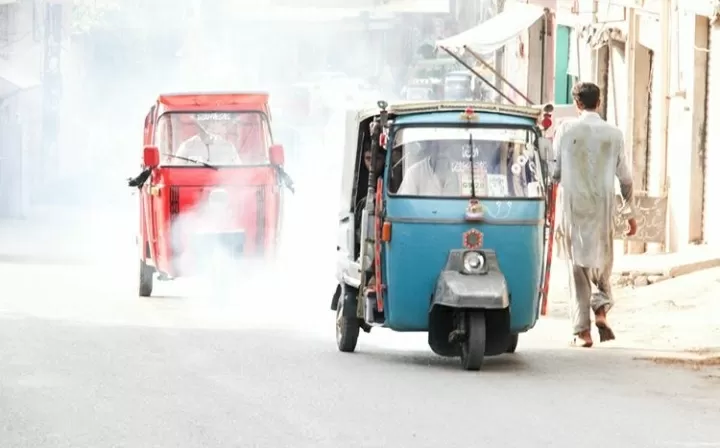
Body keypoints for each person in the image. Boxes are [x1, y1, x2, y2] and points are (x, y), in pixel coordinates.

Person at [552, 81, 638, 348]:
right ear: (598, 102)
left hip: (573, 208)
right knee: (602, 261)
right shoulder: (614, 134)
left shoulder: (565, 130)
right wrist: (630, 212)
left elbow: (555, 173)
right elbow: (625, 178)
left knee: (577, 267)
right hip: (603, 207)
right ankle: (600, 309)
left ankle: (583, 332)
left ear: (577, 104)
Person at [396, 141, 461, 196]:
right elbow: (407, 204)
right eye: (436, 146)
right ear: (430, 147)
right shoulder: (414, 172)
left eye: (445, 147)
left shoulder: (461, 170)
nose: (440, 151)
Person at [175, 116, 241, 165]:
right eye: (223, 124)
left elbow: (239, 172)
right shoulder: (187, 146)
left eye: (224, 124)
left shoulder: (228, 147)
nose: (225, 128)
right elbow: (175, 173)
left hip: (223, 183)